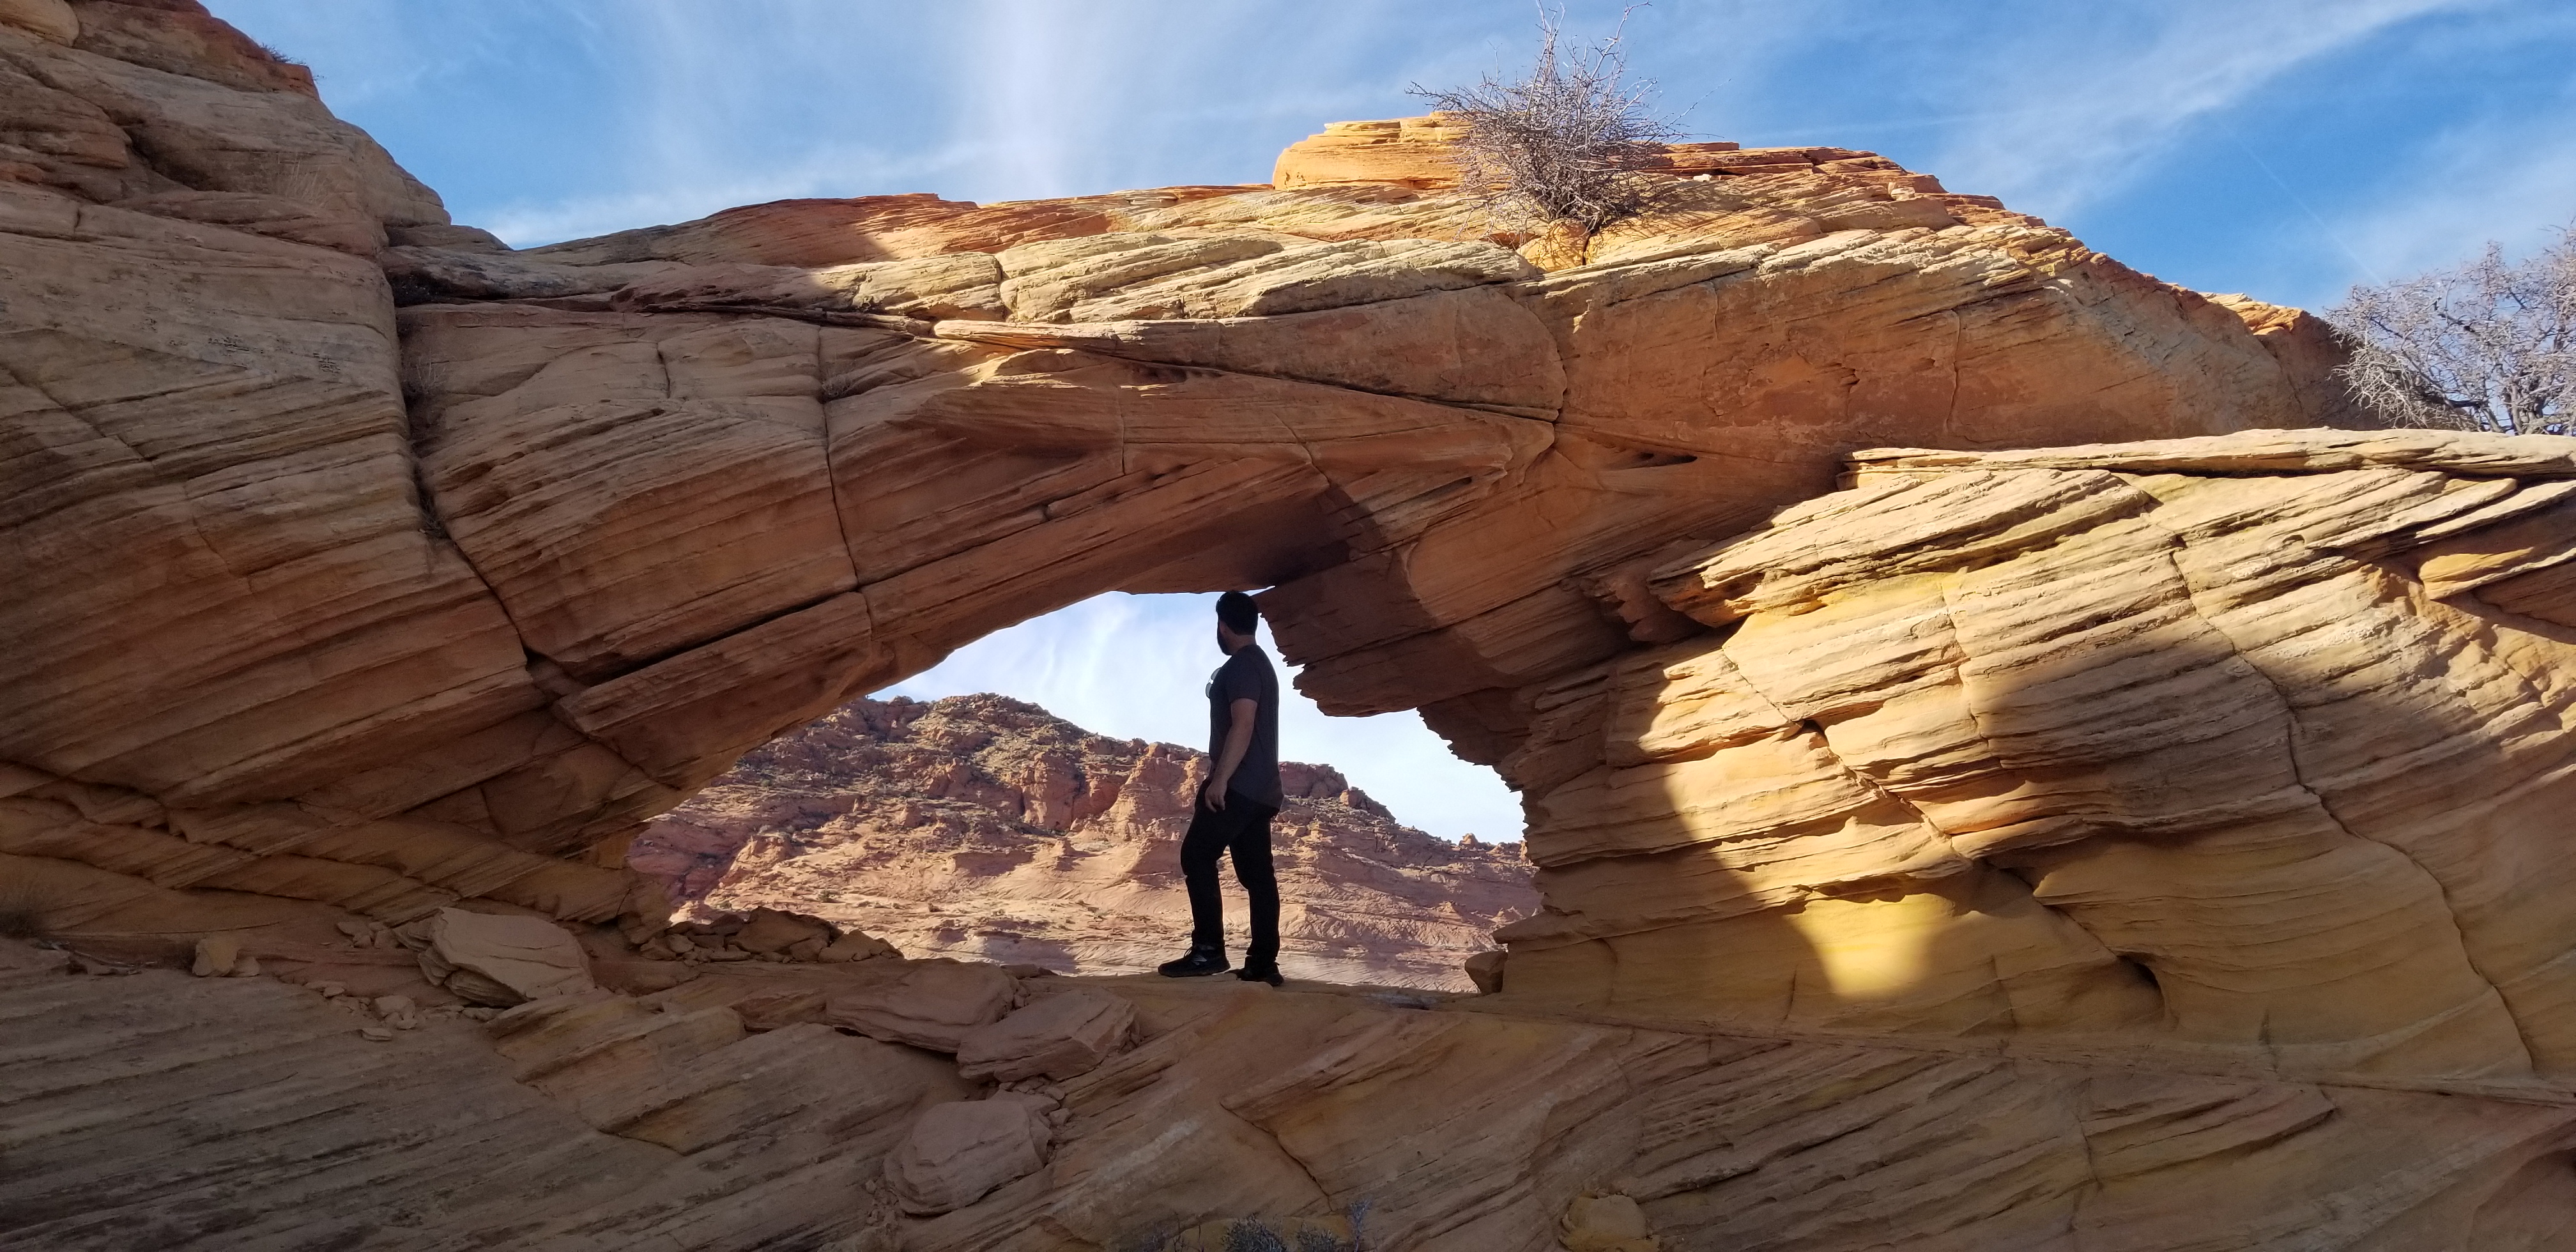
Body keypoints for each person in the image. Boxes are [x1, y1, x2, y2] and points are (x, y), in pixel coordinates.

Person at [1158, 590, 1285, 986]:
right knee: (1257, 876)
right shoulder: (1260, 664)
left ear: (1222, 626)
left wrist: (1221, 780)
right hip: (1262, 789)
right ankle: (1263, 966)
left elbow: (1243, 724)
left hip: (1240, 786)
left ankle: (1208, 952)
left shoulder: (1243, 666)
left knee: (1196, 856)